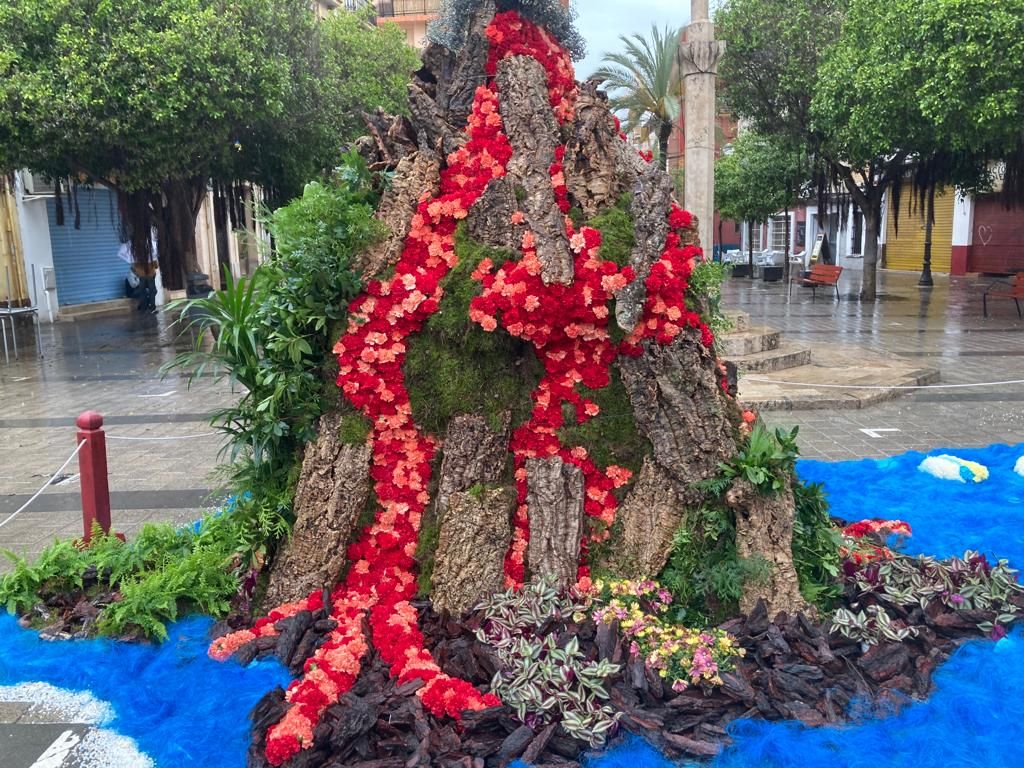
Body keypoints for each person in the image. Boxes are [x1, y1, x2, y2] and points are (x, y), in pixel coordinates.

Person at [118, 239, 159, 311]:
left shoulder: (138, 259)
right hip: (148, 277)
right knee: (149, 291)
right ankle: (150, 307)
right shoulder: (151, 256)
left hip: (144, 277)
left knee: (146, 291)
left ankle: (145, 307)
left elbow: (135, 267)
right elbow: (156, 266)